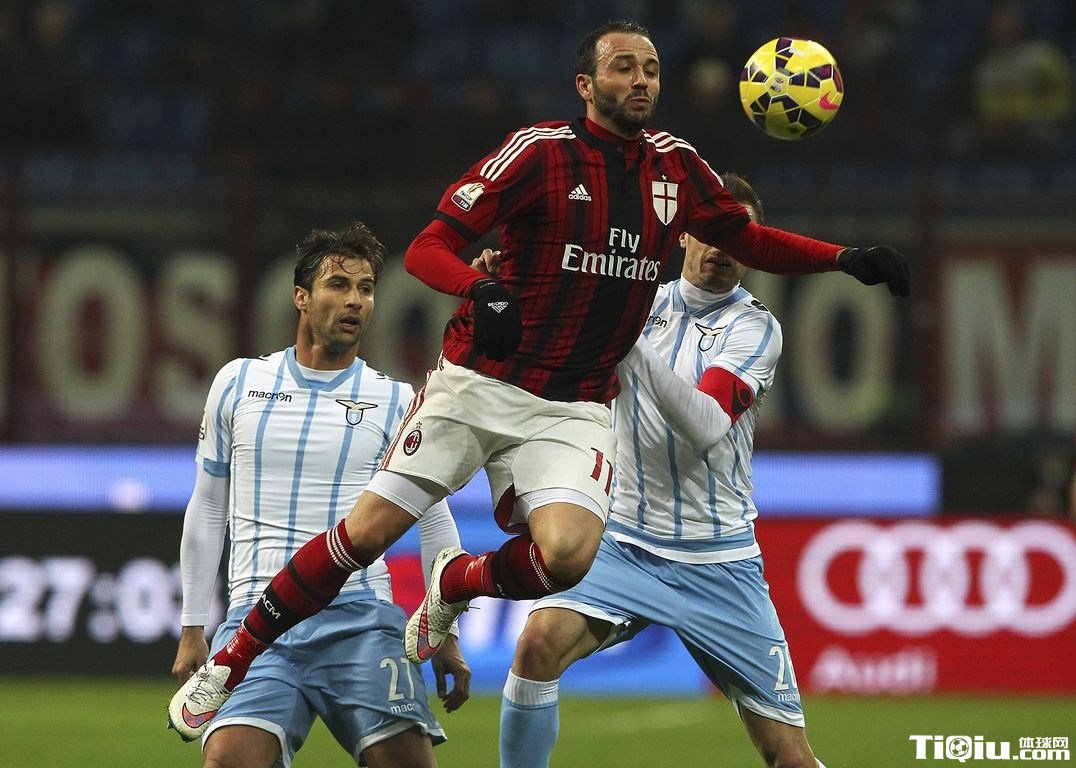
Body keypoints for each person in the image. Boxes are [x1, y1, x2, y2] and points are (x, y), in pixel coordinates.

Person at [170, 19, 910, 738]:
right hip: (480, 382)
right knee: (364, 536)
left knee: (568, 557)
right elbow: (429, 247)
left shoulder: (677, 167)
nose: (642, 81)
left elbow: (748, 239)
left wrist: (845, 259)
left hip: (574, 401)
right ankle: (233, 662)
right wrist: (479, 288)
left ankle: (455, 582)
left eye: (652, 70)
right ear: (586, 84)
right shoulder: (538, 154)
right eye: (624, 67)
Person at [498, 173, 825, 768]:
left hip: (718, 560)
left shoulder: (755, 328)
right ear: (683, 234)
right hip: (621, 539)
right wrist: (503, 283)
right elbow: (544, 325)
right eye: (713, 231)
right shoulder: (641, 301)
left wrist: (627, 340)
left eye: (741, 237)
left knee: (789, 756)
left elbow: (705, 424)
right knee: (536, 648)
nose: (723, 247)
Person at [167, 223, 472, 765]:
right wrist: (194, 627)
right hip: (257, 622)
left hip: (360, 617)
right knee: (228, 761)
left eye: (366, 288)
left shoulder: (397, 400)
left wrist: (444, 631)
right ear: (301, 297)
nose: (355, 300)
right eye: (338, 284)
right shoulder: (237, 383)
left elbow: (432, 519)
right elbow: (209, 506)